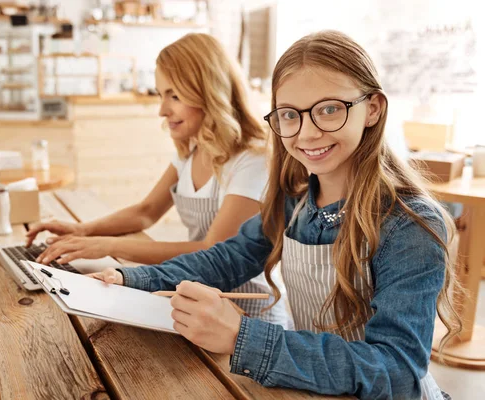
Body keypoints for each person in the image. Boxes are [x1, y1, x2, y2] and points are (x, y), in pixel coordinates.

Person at [91, 31, 461, 399]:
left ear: (373, 108)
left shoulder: (409, 225)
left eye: (329, 109)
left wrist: (243, 337)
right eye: (289, 115)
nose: (308, 133)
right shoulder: (294, 200)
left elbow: (395, 370)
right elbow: (226, 259)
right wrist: (130, 278)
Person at [26, 33, 293, 327]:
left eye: (174, 95)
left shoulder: (251, 160)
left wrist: (108, 246)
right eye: (160, 94)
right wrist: (82, 230)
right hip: (199, 302)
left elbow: (211, 251)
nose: (162, 110)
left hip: (247, 316)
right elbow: (146, 212)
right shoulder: (193, 148)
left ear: (209, 92)